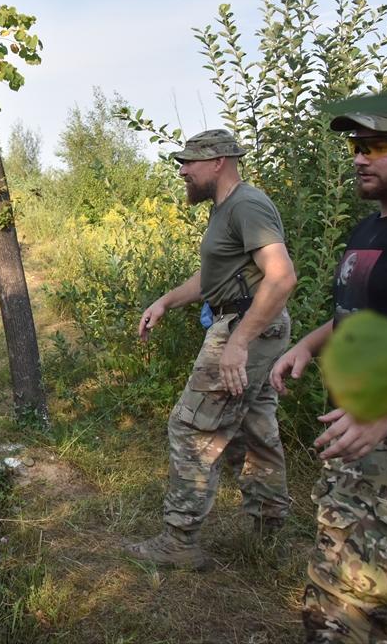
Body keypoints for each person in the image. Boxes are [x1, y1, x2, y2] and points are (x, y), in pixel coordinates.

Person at [268, 98, 387, 643]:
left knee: (355, 613)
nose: (359, 158)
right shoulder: (369, 231)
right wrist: (308, 343)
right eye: (355, 146)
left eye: (377, 145)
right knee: (339, 606)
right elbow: (357, 314)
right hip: (357, 456)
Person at [124, 129, 298, 568]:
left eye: (189, 163)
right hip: (250, 325)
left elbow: (281, 278)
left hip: (246, 328)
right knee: (256, 430)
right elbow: (213, 279)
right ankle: (269, 530)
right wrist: (164, 302)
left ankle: (179, 541)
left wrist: (238, 343)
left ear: (218, 161)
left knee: (192, 428)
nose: (182, 171)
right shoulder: (225, 210)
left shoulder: (247, 204)